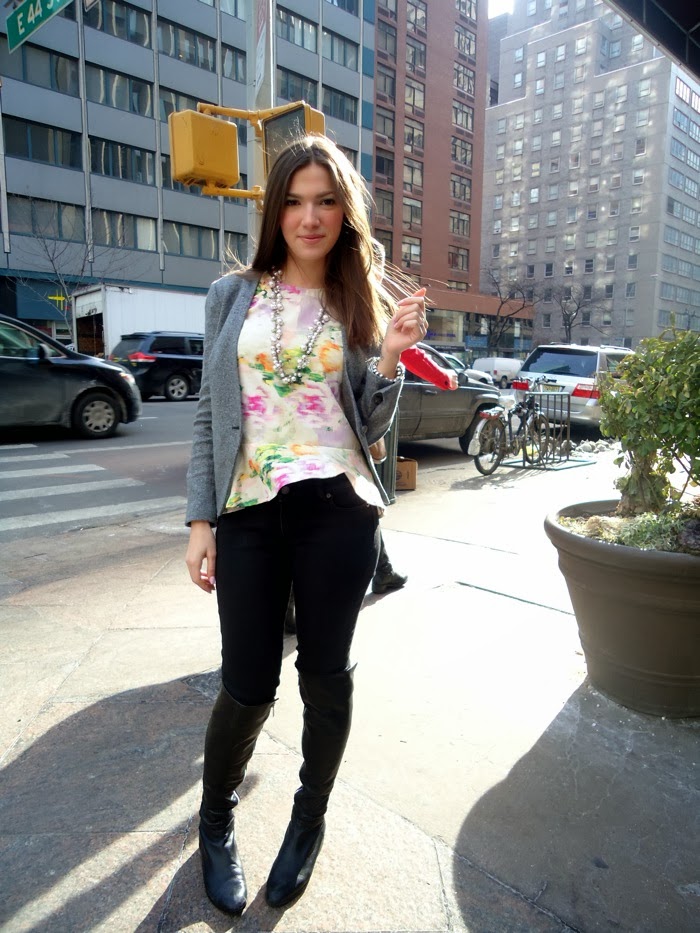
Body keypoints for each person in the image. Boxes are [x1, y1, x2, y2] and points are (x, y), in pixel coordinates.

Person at [184, 134, 427, 914]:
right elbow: (208, 413)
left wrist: (389, 357)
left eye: (325, 201)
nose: (309, 216)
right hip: (249, 509)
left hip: (337, 510)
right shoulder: (232, 295)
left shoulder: (359, 300)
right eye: (293, 201)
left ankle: (307, 819)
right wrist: (199, 519)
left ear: (344, 212)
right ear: (275, 211)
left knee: (325, 675)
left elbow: (371, 428)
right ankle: (214, 818)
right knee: (247, 683)